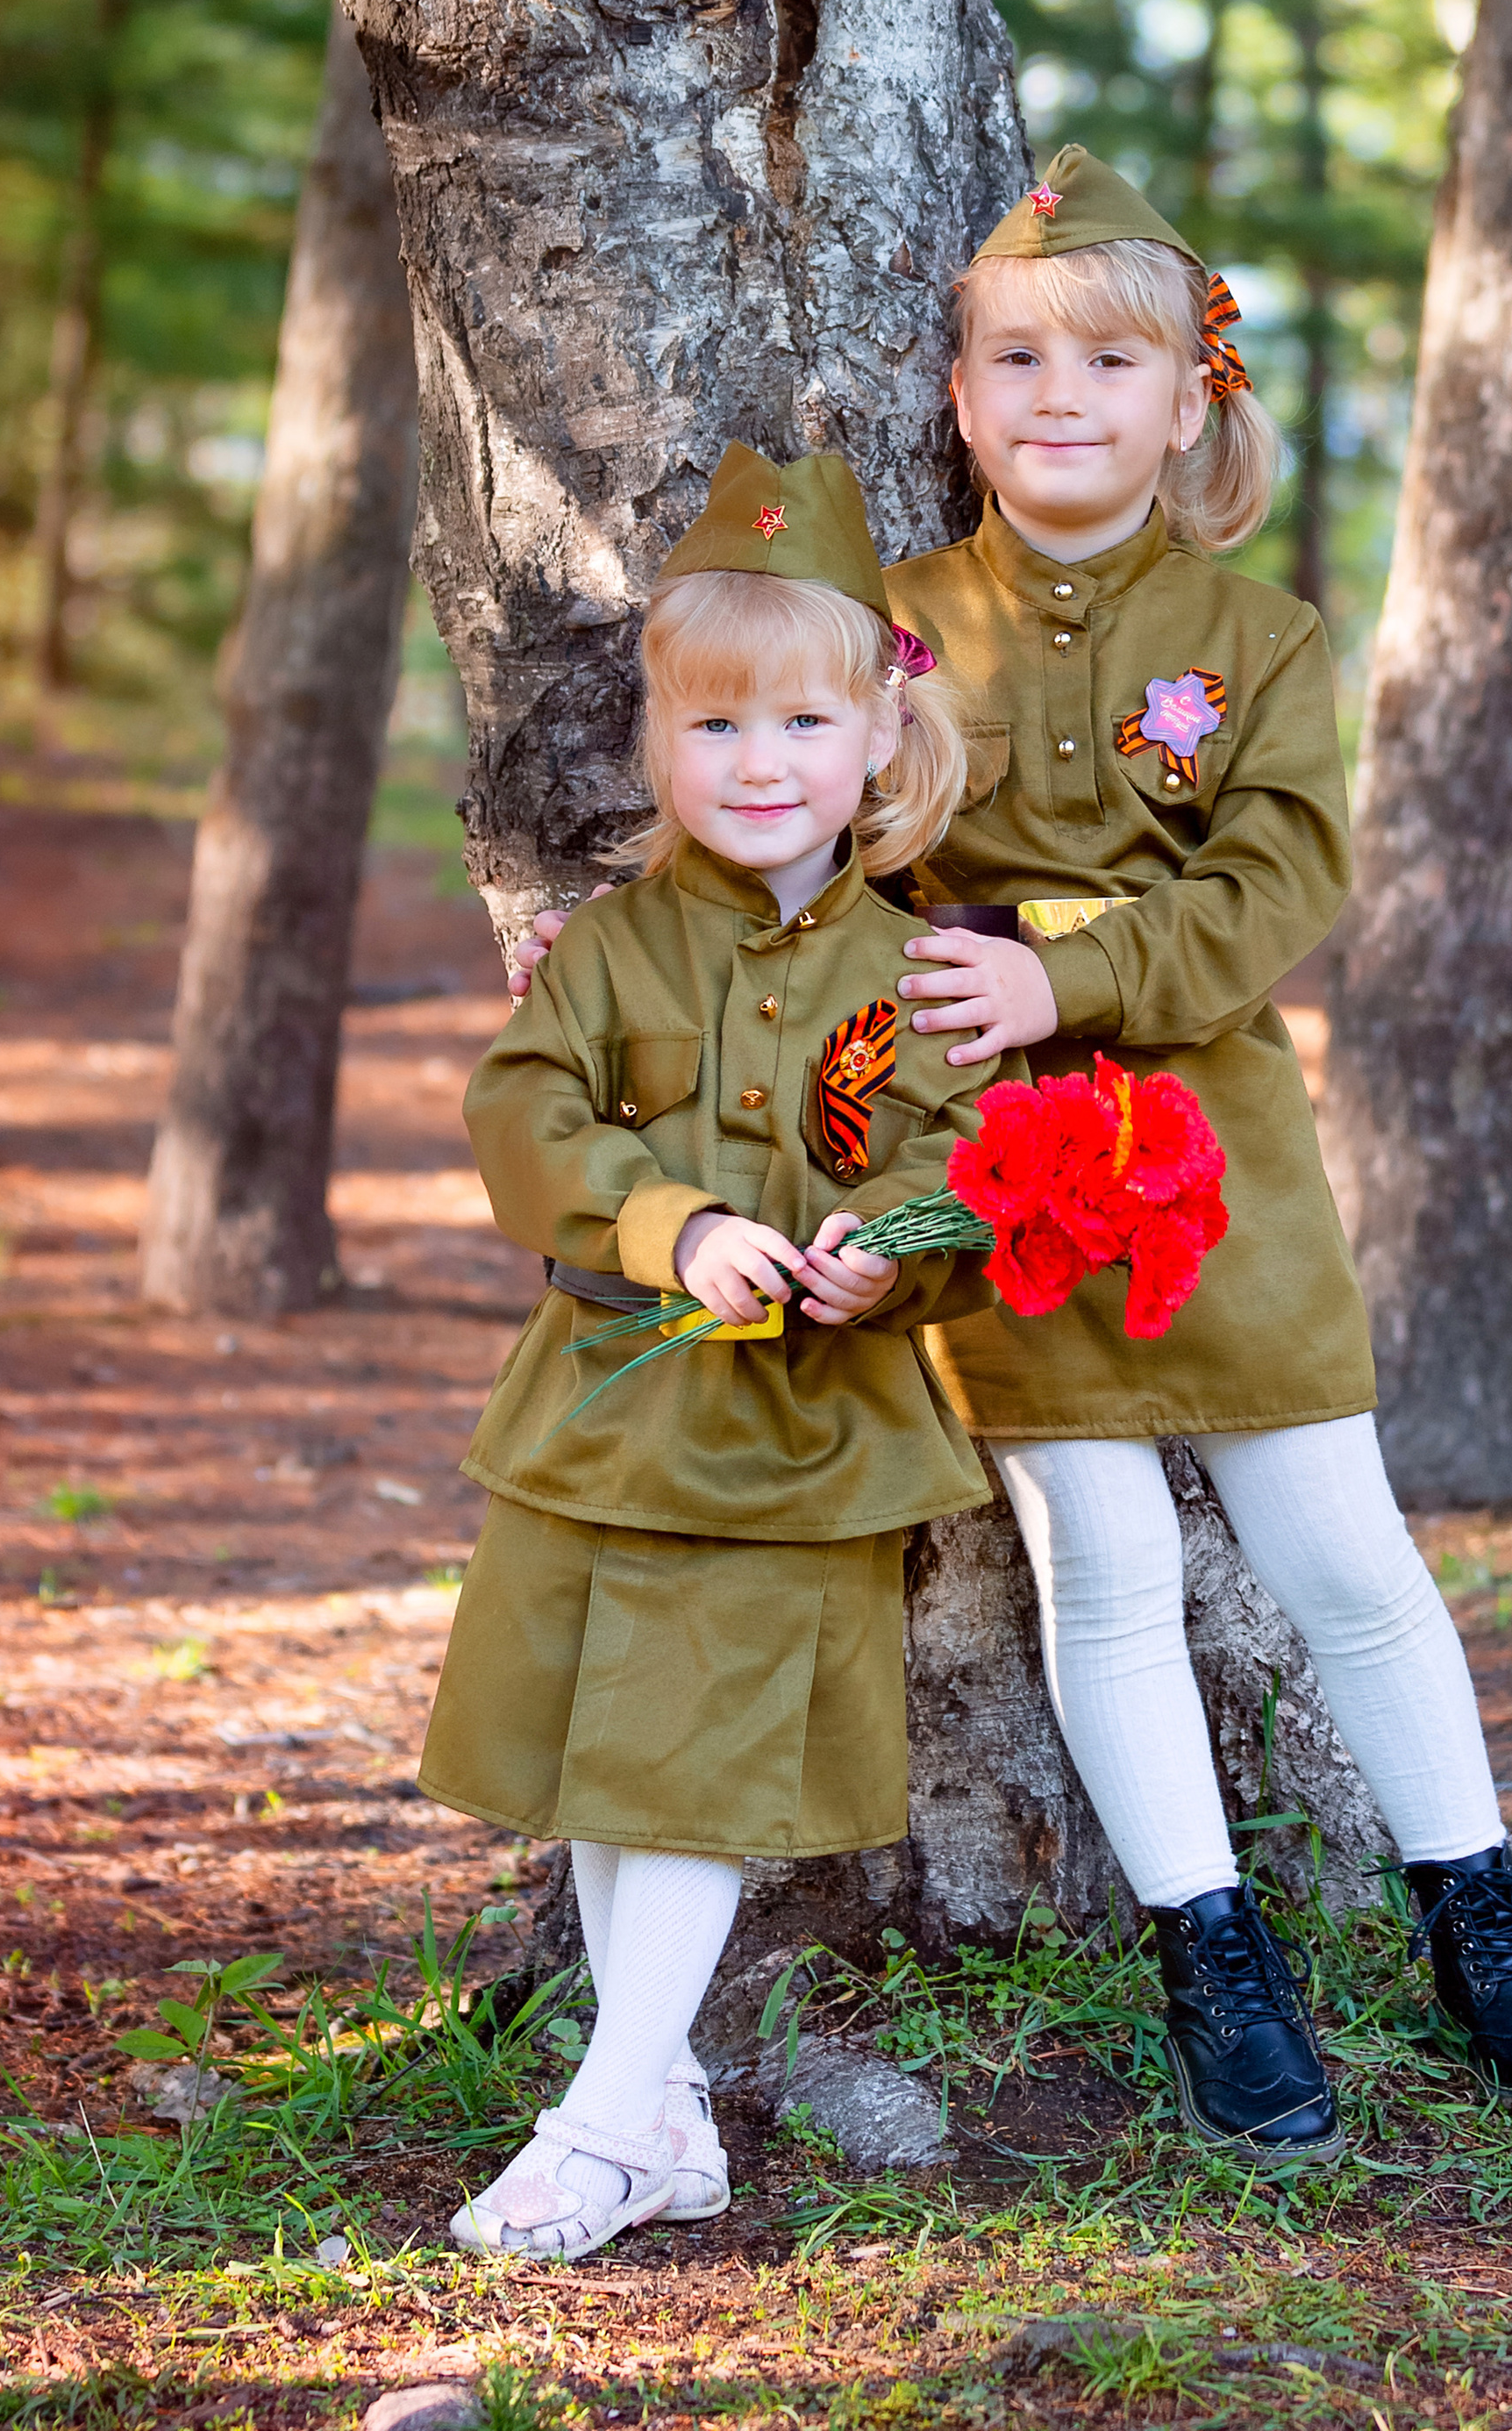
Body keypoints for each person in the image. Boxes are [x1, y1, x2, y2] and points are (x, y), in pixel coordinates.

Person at [510, 148, 1512, 2157]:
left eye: (1106, 358)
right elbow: (812, 839)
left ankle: (1473, 1912)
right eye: (1012, 356)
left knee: (1341, 1554)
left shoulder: (1255, 636)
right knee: (1095, 1561)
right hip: (977, 1172)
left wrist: (1069, 967)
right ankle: (1211, 1951)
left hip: (1219, 1158)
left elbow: (1279, 880)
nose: (1057, 395)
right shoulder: (898, 628)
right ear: (953, 399)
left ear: (1186, 395)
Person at [424, 443, 1002, 2263]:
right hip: (605, 1422)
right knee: (612, 1766)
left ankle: (598, 2124)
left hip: (789, 1444)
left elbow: (960, 1188)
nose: (759, 768)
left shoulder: (918, 975)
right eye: (714, 729)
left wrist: (875, 1262)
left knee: (683, 1773)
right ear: (656, 747)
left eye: (802, 726)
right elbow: (524, 1117)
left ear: (879, 744)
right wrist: (668, 1222)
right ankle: (663, 2117)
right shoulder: (606, 952)